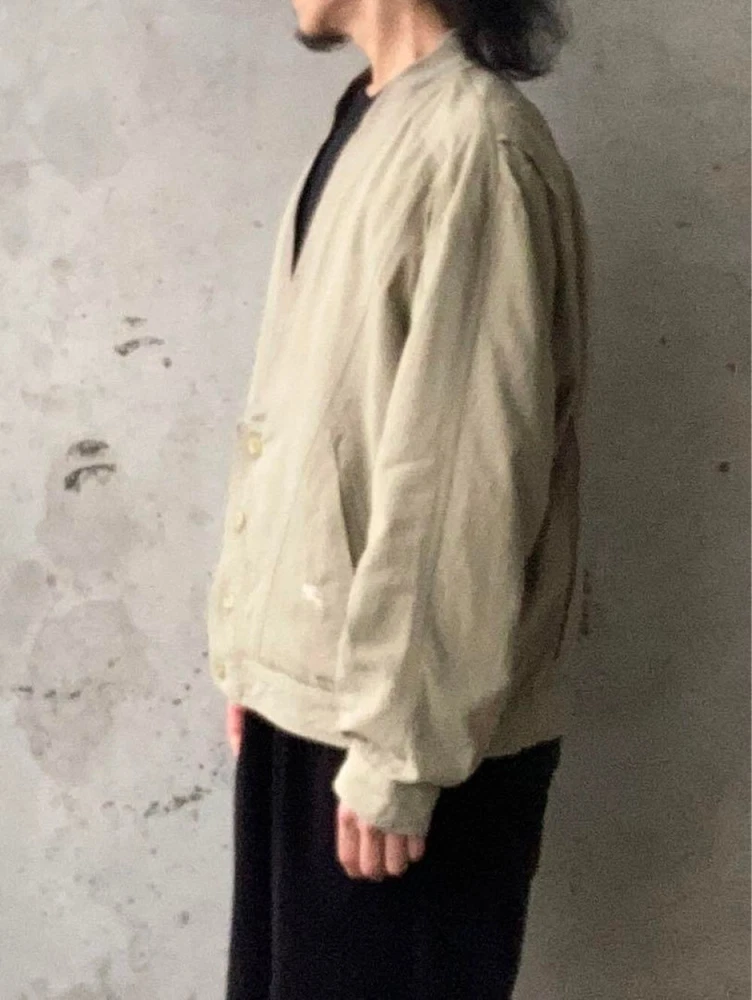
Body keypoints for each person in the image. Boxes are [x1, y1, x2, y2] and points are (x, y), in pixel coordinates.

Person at [207, 0, 589, 994]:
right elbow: (311, 419)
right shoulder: (369, 121)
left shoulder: (473, 147)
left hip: (406, 730)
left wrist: (398, 757)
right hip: (328, 702)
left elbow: (465, 481)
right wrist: (257, 655)